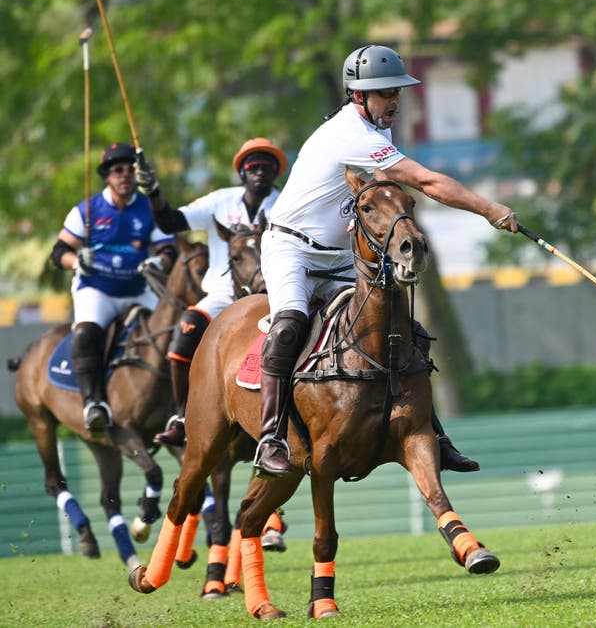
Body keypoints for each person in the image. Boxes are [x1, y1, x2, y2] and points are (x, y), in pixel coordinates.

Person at [252, 44, 521, 477]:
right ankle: (270, 439)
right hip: (292, 249)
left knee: (402, 327)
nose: (395, 100)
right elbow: (427, 181)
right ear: (358, 96)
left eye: (397, 91)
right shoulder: (351, 135)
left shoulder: (377, 133)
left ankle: (436, 437)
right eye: (385, 93)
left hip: (339, 255)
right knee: (289, 326)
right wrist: (489, 209)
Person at [139, 138, 286, 447]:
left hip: (273, 292)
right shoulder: (220, 201)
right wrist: (153, 192)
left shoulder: (286, 204)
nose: (260, 172)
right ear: (242, 174)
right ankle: (182, 417)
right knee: (186, 329)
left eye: (267, 167)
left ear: (276, 173)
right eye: (253, 167)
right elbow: (169, 223)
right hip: (223, 294)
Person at [50, 142, 177, 433]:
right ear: (107, 176)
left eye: (130, 169)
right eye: (117, 170)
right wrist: (77, 261)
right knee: (85, 333)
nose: (125, 175)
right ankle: (94, 403)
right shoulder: (87, 209)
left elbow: (169, 249)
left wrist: (158, 262)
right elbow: (58, 252)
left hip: (138, 288)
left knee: (173, 330)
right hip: (98, 290)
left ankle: (177, 407)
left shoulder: (148, 209)